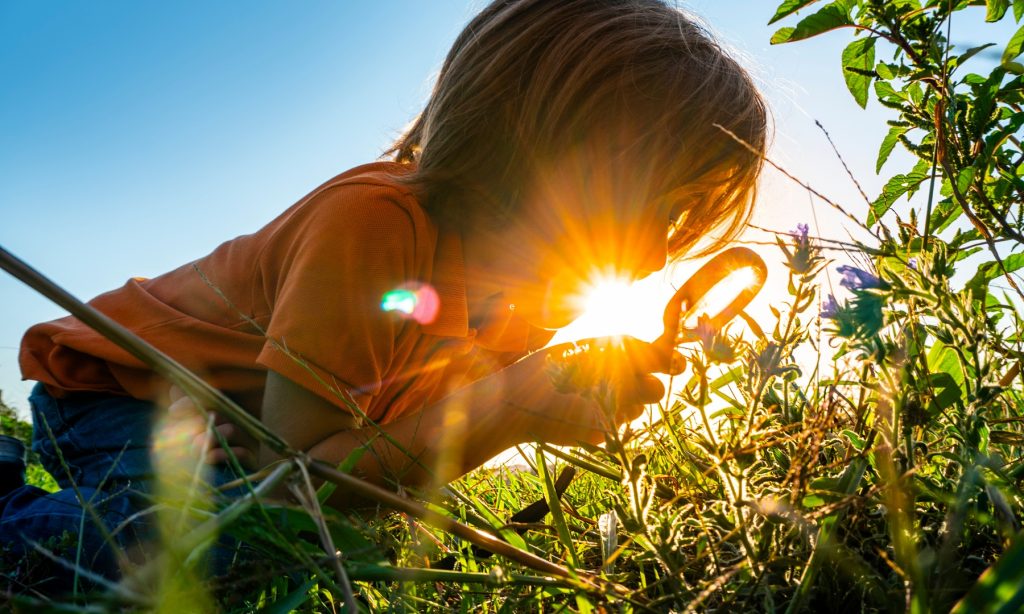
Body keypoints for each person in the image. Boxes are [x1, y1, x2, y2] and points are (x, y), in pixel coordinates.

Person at [1, 0, 767, 592]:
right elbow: (310, 472)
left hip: (269, 428)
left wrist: (520, 409)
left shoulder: (533, 299)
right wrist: (509, 401)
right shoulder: (375, 227)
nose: (667, 247)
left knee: (347, 540)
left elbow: (398, 460)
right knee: (241, 550)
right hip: (121, 391)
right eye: (659, 204)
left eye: (683, 219)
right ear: (544, 152)